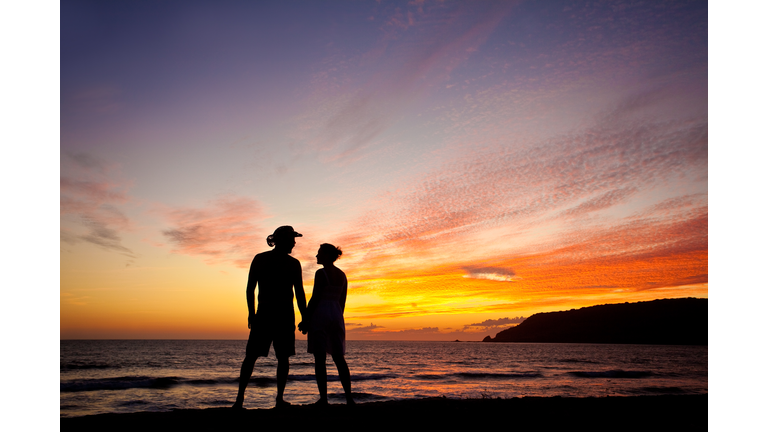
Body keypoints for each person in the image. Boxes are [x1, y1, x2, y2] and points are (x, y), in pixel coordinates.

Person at [233, 226, 307, 409]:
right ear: (284, 241)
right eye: (292, 240)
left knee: (255, 356)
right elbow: (299, 293)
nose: (294, 243)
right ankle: (273, 399)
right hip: (280, 314)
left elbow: (250, 289)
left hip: (267, 313)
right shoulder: (291, 263)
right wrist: (305, 317)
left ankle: (242, 399)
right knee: (279, 357)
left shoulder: (261, 259)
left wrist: (251, 313)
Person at [298, 243, 354, 406]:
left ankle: (323, 399)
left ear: (327, 255)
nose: (317, 256)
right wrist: (337, 316)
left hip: (320, 315)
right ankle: (349, 398)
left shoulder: (321, 273)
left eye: (319, 253)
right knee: (339, 358)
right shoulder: (342, 275)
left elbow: (315, 297)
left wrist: (306, 319)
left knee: (320, 358)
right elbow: (342, 301)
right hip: (336, 315)